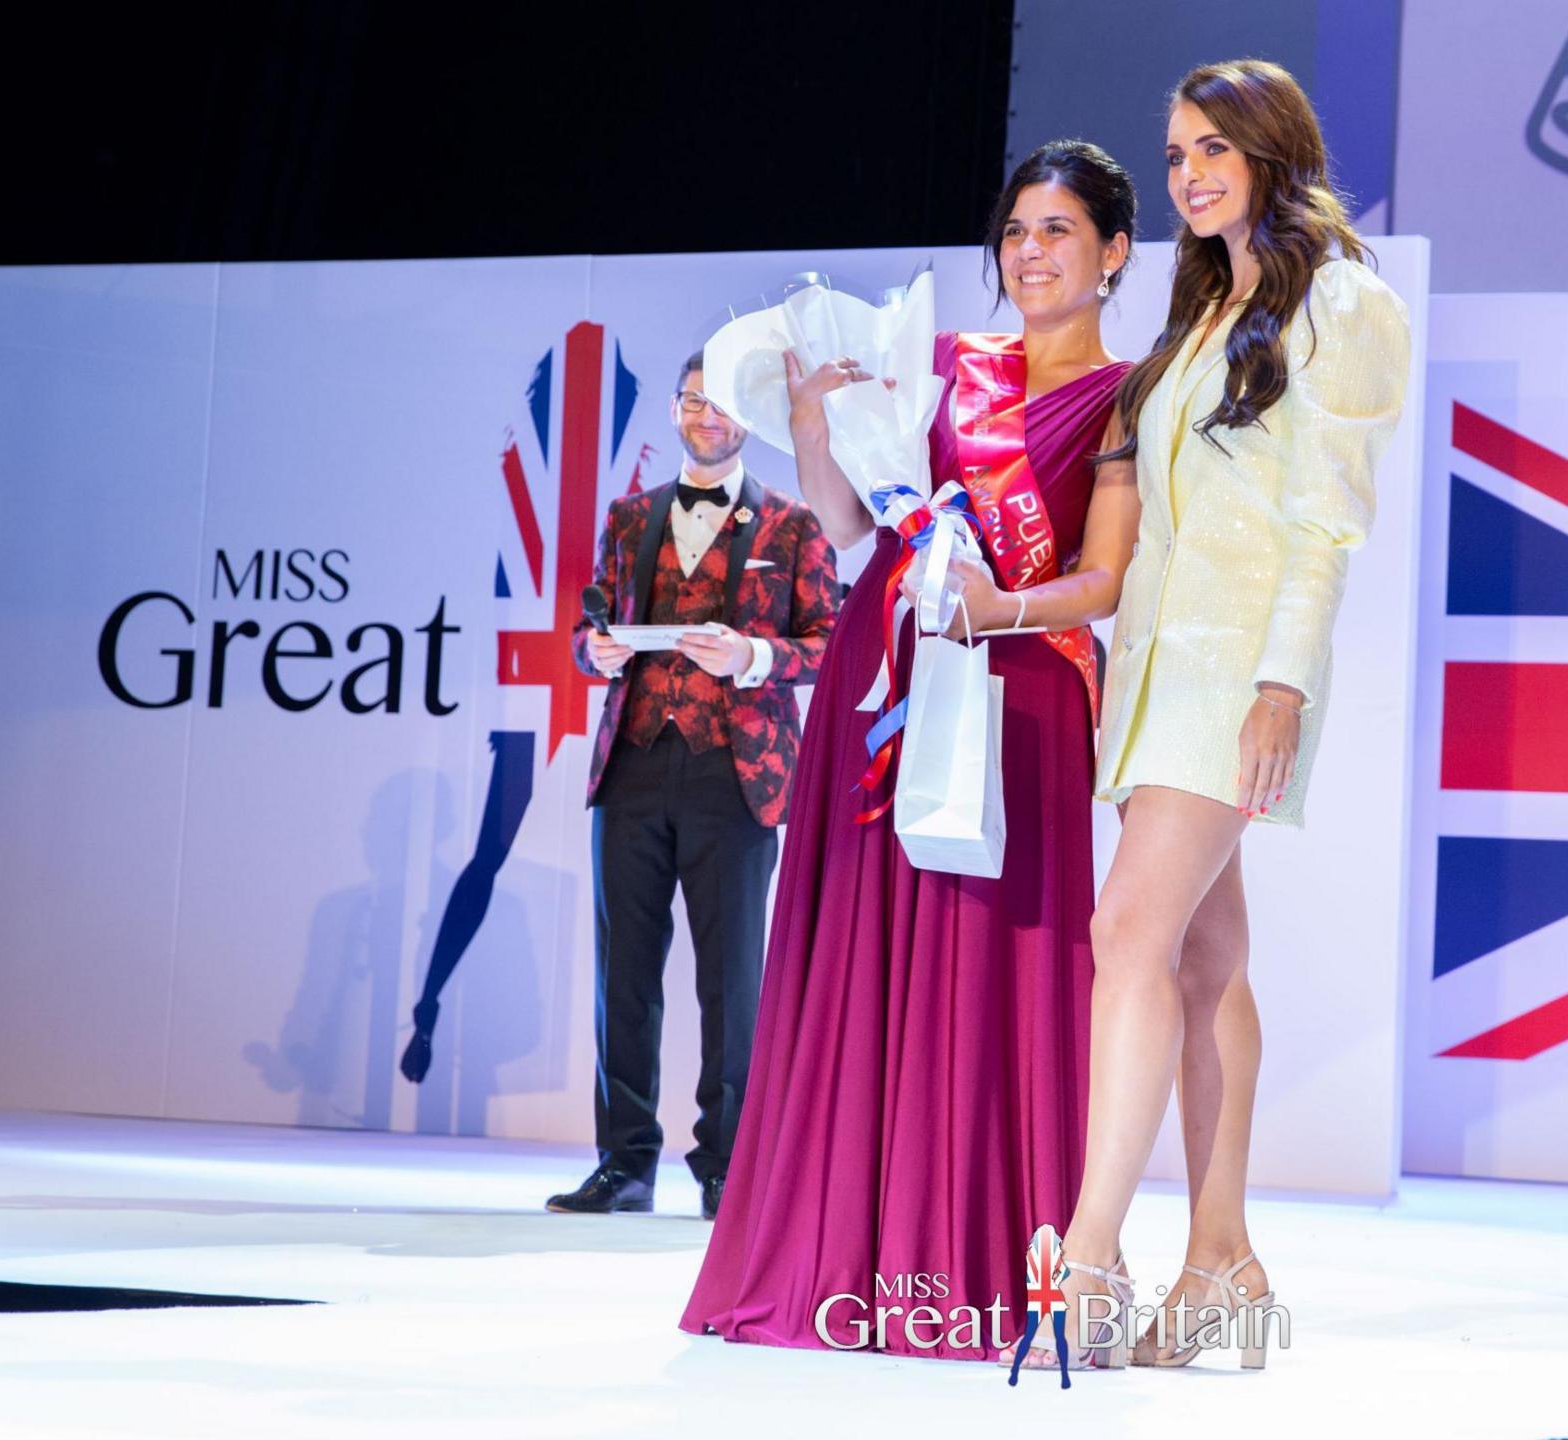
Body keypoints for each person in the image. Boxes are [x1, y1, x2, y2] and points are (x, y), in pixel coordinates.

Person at [681, 139, 1140, 1361]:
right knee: (861, 959)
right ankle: (828, 1257)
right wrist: (810, 423)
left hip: (1021, 693)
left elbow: (1101, 580)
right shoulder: (941, 365)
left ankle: (992, 1266)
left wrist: (999, 612)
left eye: (1056, 231)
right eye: (1016, 231)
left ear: (1114, 253)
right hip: (884, 682)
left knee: (1002, 966)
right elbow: (843, 524)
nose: (1030, 253)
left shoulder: (1128, 397)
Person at [1045, 59, 1412, 1370]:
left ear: (1273, 151)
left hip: (1238, 678)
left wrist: (1282, 686)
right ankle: (1221, 1257)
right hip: (1163, 675)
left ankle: (1088, 1253)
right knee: (1201, 964)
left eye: (1215, 149)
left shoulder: (1343, 303)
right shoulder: (1207, 313)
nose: (1192, 173)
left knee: (1125, 935)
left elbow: (1324, 526)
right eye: (1179, 151)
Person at [545, 353, 840, 1218]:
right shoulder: (630, 514)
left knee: (731, 978)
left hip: (735, 773)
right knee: (624, 975)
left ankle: (728, 1168)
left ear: (751, 413)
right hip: (633, 765)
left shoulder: (792, 524)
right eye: (693, 400)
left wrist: (752, 655)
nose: (707, 416)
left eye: (724, 402)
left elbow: (827, 644)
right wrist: (591, 649)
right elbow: (594, 618)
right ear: (675, 409)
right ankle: (624, 1162)